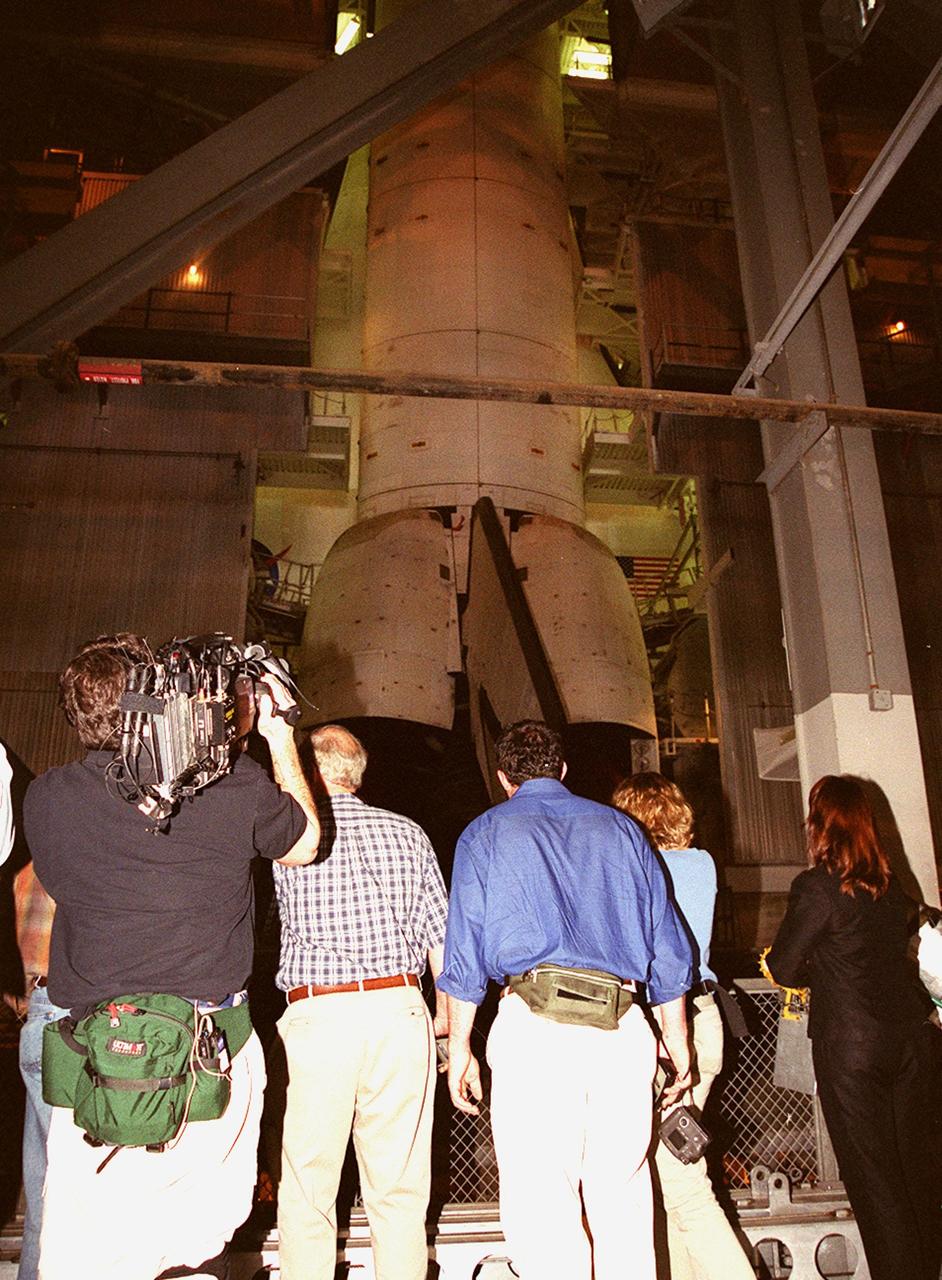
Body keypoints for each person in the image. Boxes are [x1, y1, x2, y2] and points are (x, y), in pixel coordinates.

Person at [22, 632, 321, 1280]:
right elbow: (303, 843)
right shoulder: (230, 785)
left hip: (94, 1058)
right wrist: (275, 735)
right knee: (194, 1248)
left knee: (88, 1255)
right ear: (157, 700)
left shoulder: (45, 800)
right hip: (206, 1053)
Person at [439, 720, 693, 1280]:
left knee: (541, 1202)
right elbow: (668, 949)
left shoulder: (483, 835)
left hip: (534, 1030)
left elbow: (464, 959)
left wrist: (461, 1049)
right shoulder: (623, 830)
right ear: (563, 769)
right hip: (622, 1027)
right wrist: (676, 1043)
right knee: (623, 1198)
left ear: (504, 777)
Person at [273, 723, 449, 1280]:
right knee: (399, 1189)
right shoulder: (409, 833)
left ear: (314, 771)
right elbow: (439, 937)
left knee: (308, 1186)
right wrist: (445, 1021)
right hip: (398, 1011)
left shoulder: (291, 835)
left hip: (319, 1014)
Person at [765, 774, 942, 1280]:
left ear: (819, 825)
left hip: (853, 1050)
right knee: (912, 1175)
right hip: (910, 1042)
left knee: (875, 1182)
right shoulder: (892, 888)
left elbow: (783, 967)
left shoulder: (817, 887)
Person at [613, 772, 754, 1280]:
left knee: (684, 1188)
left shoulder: (633, 868)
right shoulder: (702, 864)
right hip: (705, 1018)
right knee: (674, 1178)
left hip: (661, 1028)